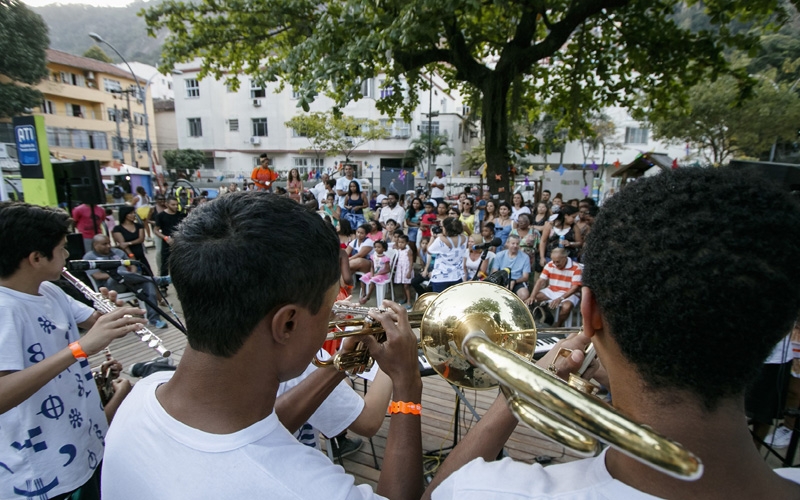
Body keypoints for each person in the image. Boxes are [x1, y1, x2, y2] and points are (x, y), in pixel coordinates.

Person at [424, 167, 800, 499]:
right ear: (784, 324)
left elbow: (439, 493)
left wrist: (526, 385)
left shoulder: (483, 490)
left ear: (589, 310)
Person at [102, 192, 424, 499]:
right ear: (287, 323)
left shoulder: (144, 394)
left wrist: (344, 363)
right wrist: (406, 386)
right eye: (329, 309)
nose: (335, 317)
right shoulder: (303, 488)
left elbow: (260, 431)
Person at [0, 202, 145, 500]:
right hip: (41, 471)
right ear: (36, 258)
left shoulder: (50, 290)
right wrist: (79, 349)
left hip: (83, 445)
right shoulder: (5, 309)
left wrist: (113, 313)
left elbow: (96, 323)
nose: (68, 255)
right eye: (63, 248)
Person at [525, 247, 581, 326]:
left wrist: (561, 298)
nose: (555, 264)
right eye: (554, 261)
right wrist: (532, 296)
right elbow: (540, 281)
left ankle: (558, 324)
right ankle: (542, 317)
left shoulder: (576, 267)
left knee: (566, 307)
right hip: (552, 290)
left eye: (558, 262)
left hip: (569, 293)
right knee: (532, 300)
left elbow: (575, 288)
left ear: (564, 258)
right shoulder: (550, 264)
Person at [427, 217, 467, 292]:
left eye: (442, 227)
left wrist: (432, 237)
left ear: (446, 228)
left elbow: (429, 251)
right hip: (456, 276)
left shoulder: (440, 240)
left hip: (440, 277)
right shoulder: (464, 238)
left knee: (439, 302)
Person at [112, 205, 153, 276]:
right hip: (128, 256)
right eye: (131, 213)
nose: (133, 215)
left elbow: (141, 239)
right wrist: (131, 255)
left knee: (148, 274)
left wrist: (129, 243)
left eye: (134, 213)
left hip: (140, 254)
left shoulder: (138, 226)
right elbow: (123, 244)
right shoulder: (118, 229)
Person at [489, 234, 531, 301]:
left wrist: (514, 281)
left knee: (524, 295)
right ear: (507, 244)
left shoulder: (525, 257)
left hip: (517, 281)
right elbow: (494, 272)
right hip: (502, 279)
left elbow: (525, 277)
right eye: (513, 243)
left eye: (517, 244)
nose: (515, 246)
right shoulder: (499, 255)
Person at [153, 197, 186, 277]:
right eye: (173, 204)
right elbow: (156, 230)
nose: (175, 206)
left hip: (179, 242)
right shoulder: (161, 216)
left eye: (176, 204)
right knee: (165, 263)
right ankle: (164, 285)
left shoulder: (181, 215)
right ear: (167, 204)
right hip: (167, 242)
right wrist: (166, 238)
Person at [359, 240, 391, 304]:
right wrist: (372, 274)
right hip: (374, 273)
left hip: (383, 275)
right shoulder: (373, 256)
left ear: (384, 249)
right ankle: (364, 293)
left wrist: (378, 274)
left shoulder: (385, 258)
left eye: (379, 247)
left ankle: (368, 296)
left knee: (372, 280)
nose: (376, 248)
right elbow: (372, 266)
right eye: (375, 247)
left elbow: (388, 269)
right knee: (362, 278)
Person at [394, 234, 413, 306]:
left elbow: (411, 262)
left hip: (406, 270)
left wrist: (409, 272)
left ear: (407, 243)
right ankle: (404, 297)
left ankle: (409, 300)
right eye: (399, 242)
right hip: (400, 270)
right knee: (402, 285)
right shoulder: (399, 250)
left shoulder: (408, 251)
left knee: (406, 286)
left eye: (402, 242)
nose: (400, 244)